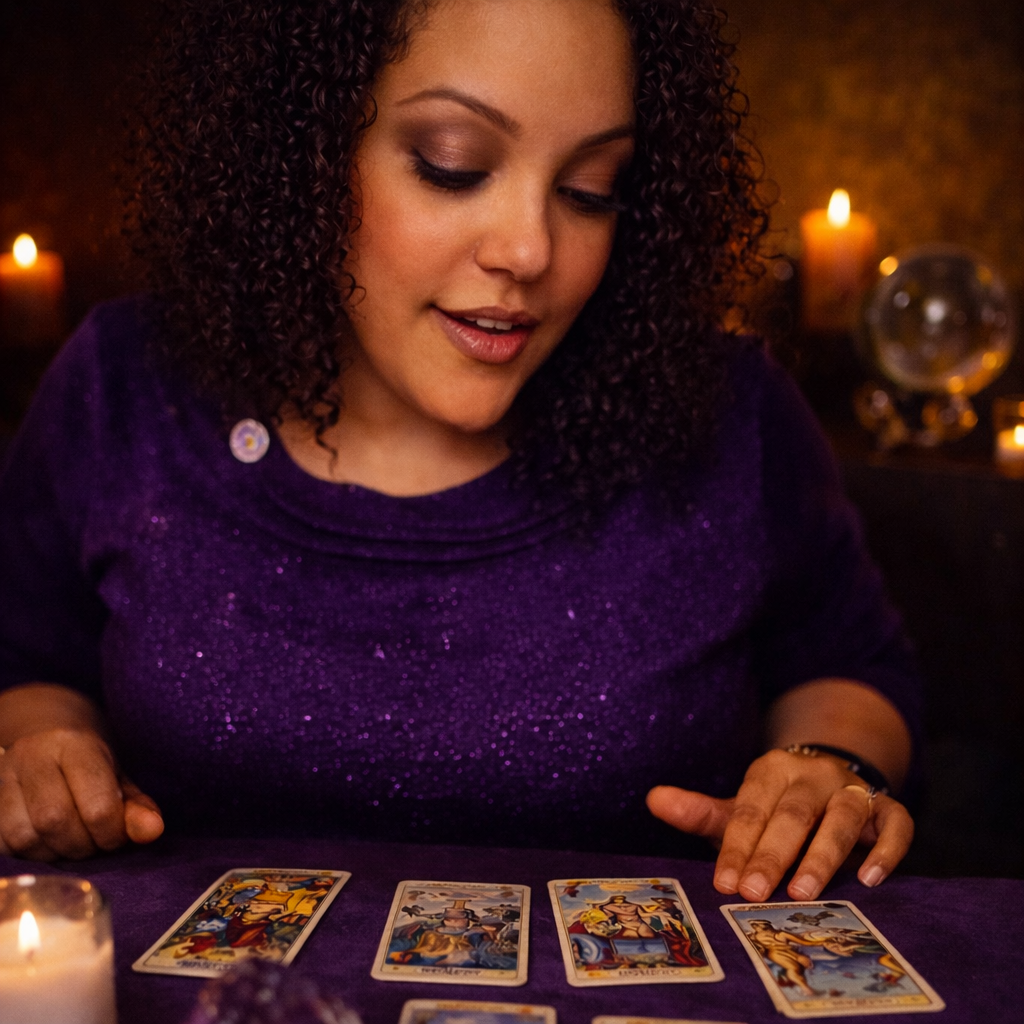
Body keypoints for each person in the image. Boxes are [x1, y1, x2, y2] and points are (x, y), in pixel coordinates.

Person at [0, 0, 919, 905]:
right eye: (454, 167)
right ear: (302, 154)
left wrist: (825, 770)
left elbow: (851, 669)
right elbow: (26, 658)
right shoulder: (122, 387)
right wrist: (43, 750)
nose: (530, 249)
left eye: (590, 189)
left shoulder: (729, 411)